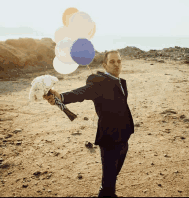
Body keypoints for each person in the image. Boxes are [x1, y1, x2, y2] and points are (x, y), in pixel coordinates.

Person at [43, 51, 134, 197]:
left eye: (119, 61)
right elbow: (81, 93)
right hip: (109, 139)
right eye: (112, 62)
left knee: (113, 175)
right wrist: (61, 97)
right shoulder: (99, 82)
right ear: (104, 65)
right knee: (107, 183)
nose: (116, 64)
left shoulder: (122, 82)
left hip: (124, 137)